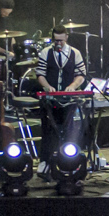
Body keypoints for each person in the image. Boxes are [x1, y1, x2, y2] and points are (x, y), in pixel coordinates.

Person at [37, 24, 90, 157]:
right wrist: (47, 86)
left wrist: (73, 86)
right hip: (50, 98)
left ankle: (68, 159)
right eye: (56, 40)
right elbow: (40, 74)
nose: (59, 43)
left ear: (66, 37)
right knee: (48, 130)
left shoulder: (75, 53)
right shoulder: (45, 52)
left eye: (61, 40)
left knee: (69, 130)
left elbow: (81, 75)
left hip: (69, 99)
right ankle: (46, 160)